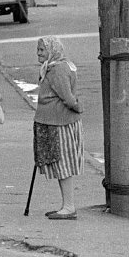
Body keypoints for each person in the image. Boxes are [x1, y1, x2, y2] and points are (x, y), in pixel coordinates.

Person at [34, 36, 84, 220]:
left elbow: (68, 97)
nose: (38, 53)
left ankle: (69, 207)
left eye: (42, 50)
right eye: (38, 49)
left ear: (52, 50)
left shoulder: (58, 69)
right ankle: (66, 205)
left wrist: (78, 107)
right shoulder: (53, 66)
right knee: (60, 163)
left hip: (60, 123)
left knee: (63, 163)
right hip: (55, 121)